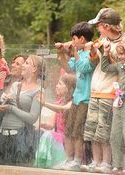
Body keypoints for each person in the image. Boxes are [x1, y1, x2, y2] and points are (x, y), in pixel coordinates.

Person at [81, 8, 125, 174]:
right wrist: (93, 51)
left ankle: (107, 163)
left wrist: (104, 51)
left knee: (104, 131)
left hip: (110, 93)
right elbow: (95, 64)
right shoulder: (101, 39)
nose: (97, 29)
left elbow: (117, 68)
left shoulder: (122, 43)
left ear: (106, 26)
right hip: (95, 90)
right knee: (92, 130)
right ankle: (96, 161)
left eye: (98, 25)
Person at [55, 21, 95, 171]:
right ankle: (68, 159)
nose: (72, 42)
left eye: (74, 39)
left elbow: (84, 68)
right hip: (76, 98)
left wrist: (74, 52)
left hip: (86, 98)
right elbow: (68, 69)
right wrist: (61, 53)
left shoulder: (91, 53)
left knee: (78, 132)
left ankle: (77, 160)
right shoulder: (78, 52)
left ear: (82, 39)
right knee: (69, 130)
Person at [0, 54, 45, 166]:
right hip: (2, 136)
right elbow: (3, 106)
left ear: (34, 69)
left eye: (27, 63)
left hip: (20, 139)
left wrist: (11, 108)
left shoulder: (39, 91)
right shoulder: (15, 85)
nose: (23, 65)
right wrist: (3, 100)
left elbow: (32, 118)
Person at [35, 73, 76, 169]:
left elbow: (62, 109)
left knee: (48, 135)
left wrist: (44, 103)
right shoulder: (58, 102)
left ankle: (61, 162)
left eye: (60, 83)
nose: (56, 86)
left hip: (69, 140)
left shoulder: (74, 102)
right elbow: (51, 125)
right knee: (46, 134)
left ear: (68, 87)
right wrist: (42, 124)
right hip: (59, 138)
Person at [101, 41, 125, 175]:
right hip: (119, 103)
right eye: (119, 54)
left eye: (123, 54)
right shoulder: (120, 66)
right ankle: (117, 165)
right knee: (115, 135)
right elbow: (105, 68)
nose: (121, 56)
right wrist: (106, 53)